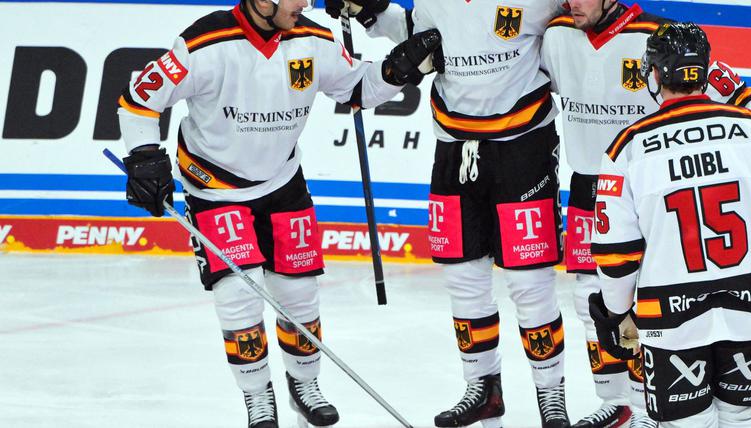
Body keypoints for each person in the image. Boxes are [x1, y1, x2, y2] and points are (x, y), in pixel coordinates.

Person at [117, 0, 440, 426]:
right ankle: (257, 396)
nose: (306, 3)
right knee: (238, 297)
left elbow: (357, 89)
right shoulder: (203, 43)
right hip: (216, 190)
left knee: (300, 292)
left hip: (283, 182)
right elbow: (138, 99)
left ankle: (304, 383)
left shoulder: (313, 39)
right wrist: (143, 155)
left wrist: (398, 70)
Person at [539, 2, 751, 426]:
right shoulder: (557, 32)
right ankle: (619, 399)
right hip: (602, 186)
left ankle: (647, 407)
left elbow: (727, 83)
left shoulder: (655, 43)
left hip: (645, 187)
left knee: (621, 302)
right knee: (584, 297)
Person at [327, 0, 572, 426]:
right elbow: (422, 36)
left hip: (524, 147)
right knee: (463, 278)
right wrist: (371, 10)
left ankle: (551, 397)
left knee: (530, 282)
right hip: (454, 146)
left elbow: (578, 30)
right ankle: (482, 389)